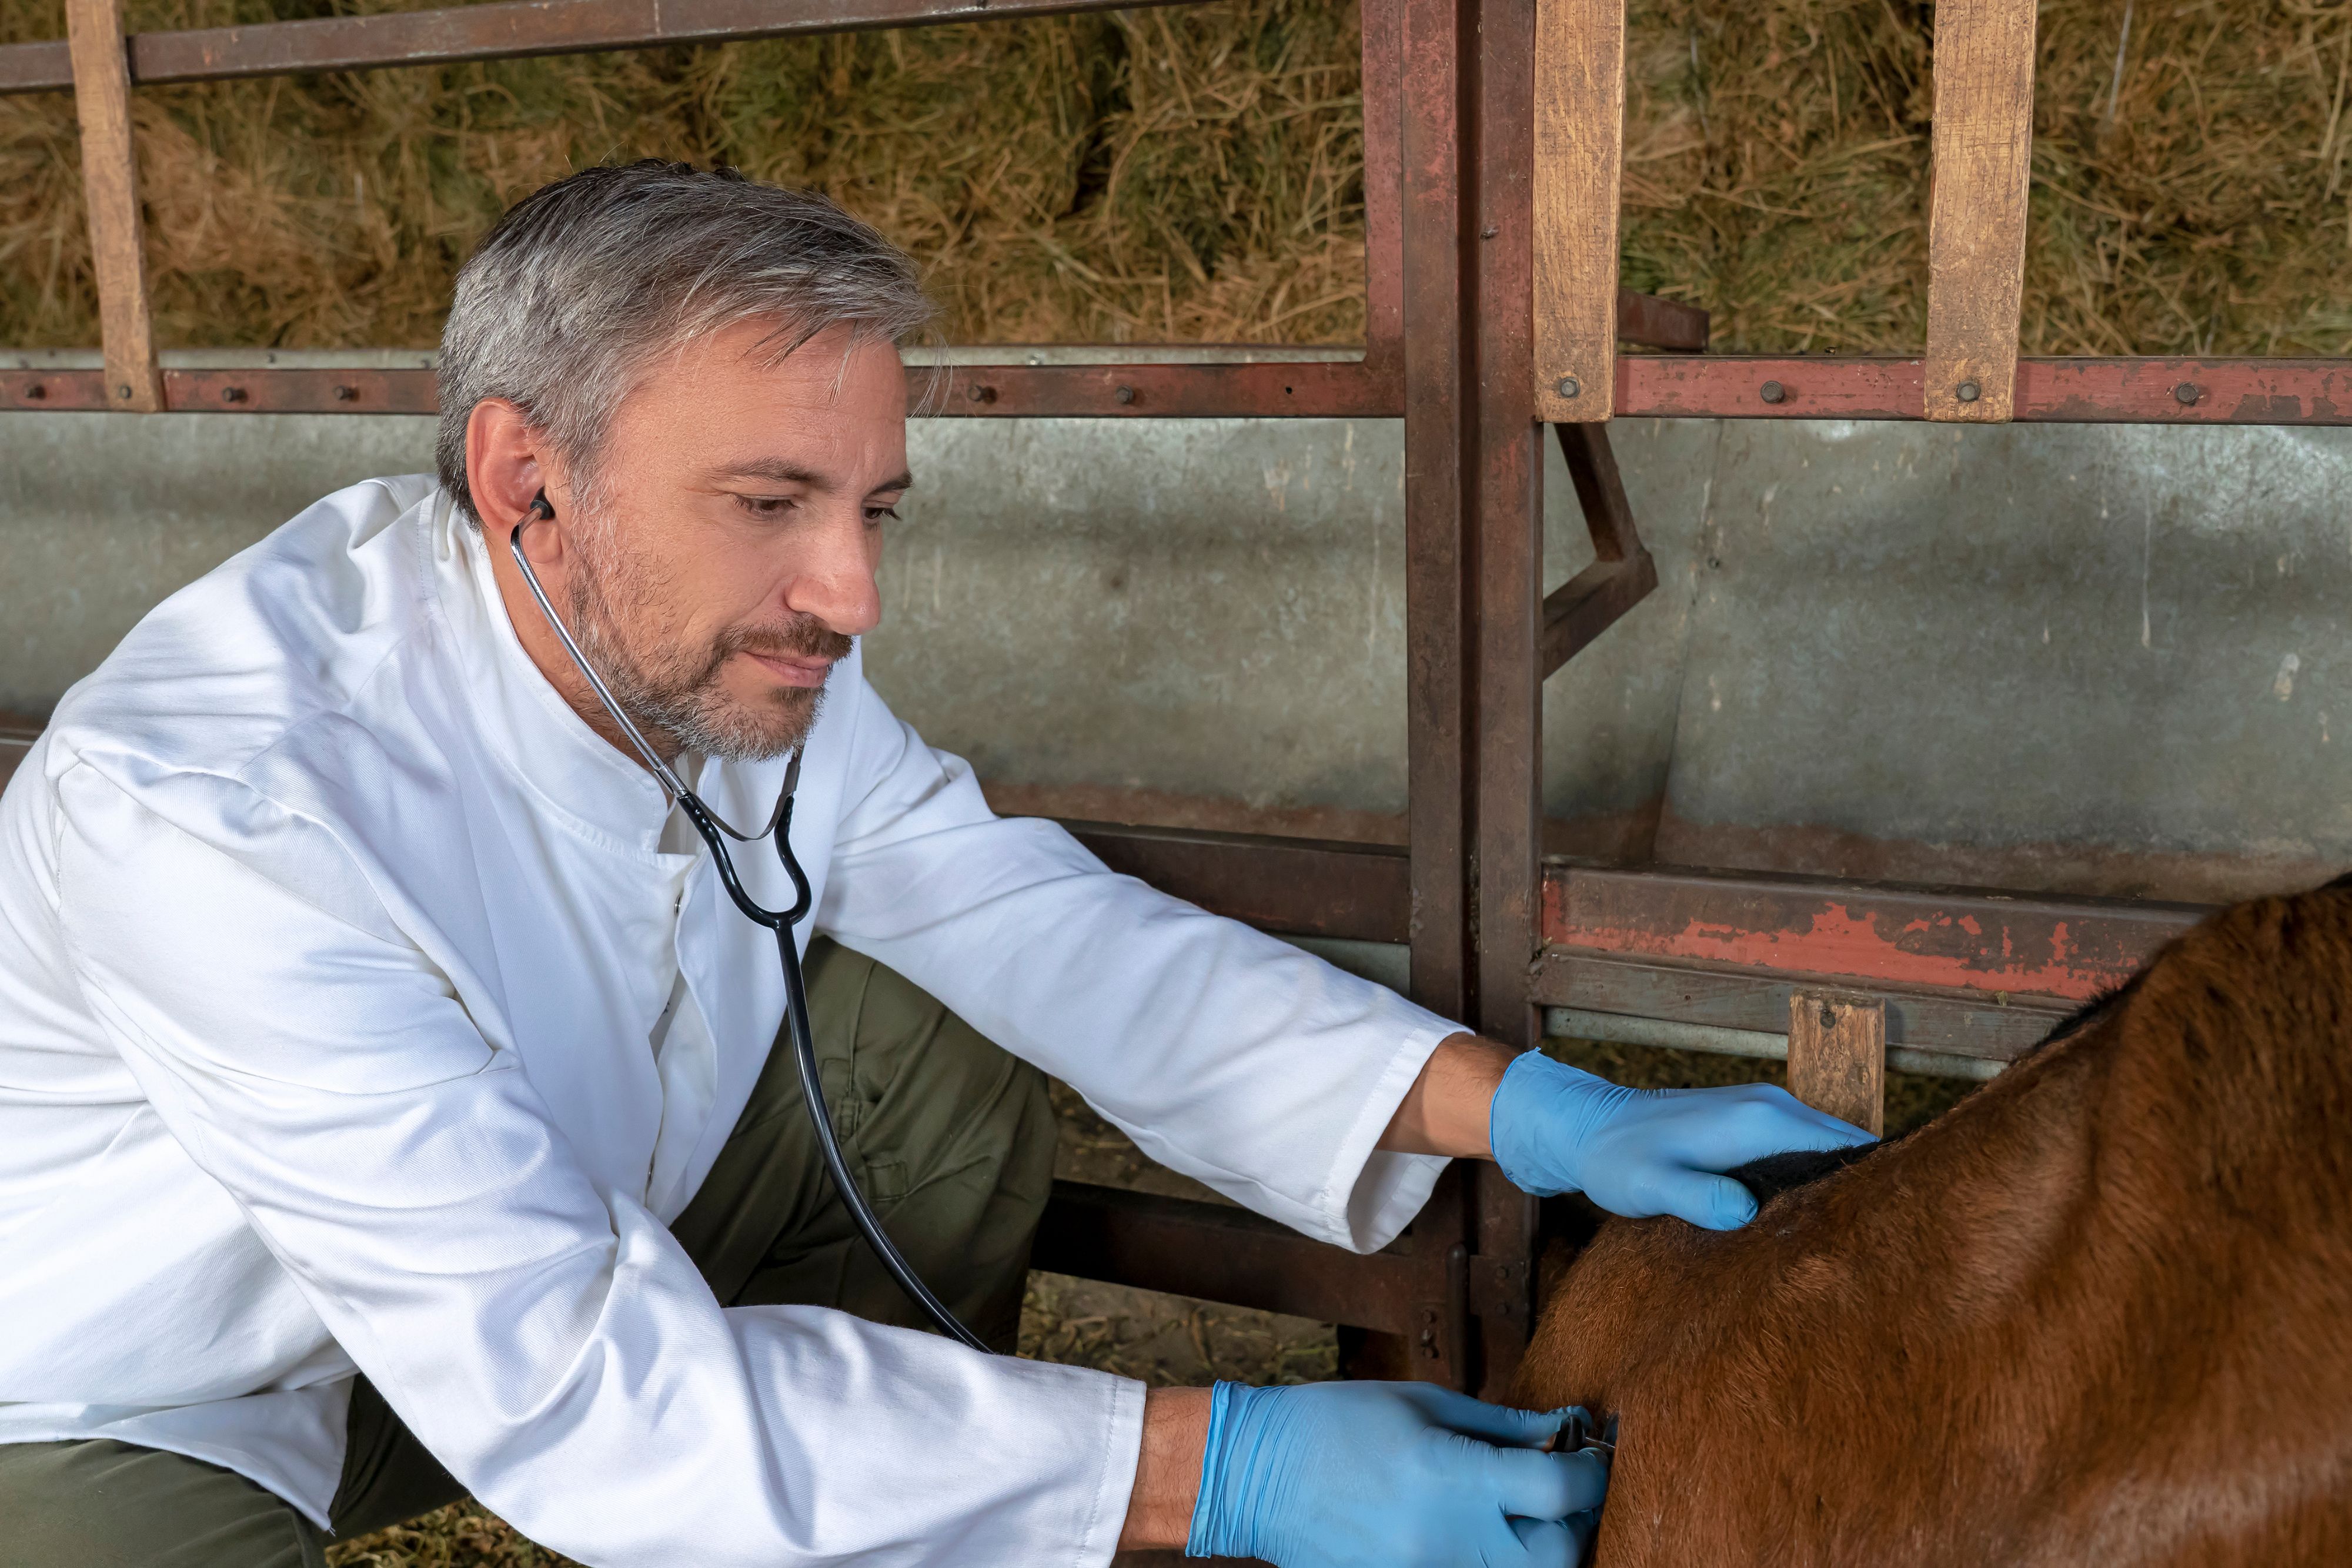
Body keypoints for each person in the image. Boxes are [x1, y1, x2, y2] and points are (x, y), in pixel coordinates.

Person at [0, 162, 1870, 1568]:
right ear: (525, 476)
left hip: (552, 1240)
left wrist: (1514, 1104)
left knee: (923, 1049)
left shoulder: (695, 654)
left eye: (873, 508)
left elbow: (1025, 918)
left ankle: (874, 1506)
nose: (852, 594)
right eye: (769, 504)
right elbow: (578, 1388)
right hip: (153, 1383)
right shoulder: (218, 814)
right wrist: (1213, 1468)